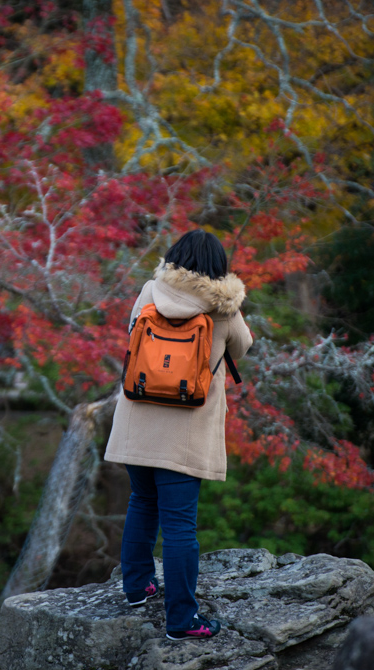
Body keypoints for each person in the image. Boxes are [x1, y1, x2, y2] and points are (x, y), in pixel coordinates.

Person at [105, 229, 253, 641]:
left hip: (137, 420)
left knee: (141, 501)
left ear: (174, 258)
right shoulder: (224, 307)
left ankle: (136, 588)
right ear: (217, 268)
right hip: (184, 432)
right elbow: (242, 348)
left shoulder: (151, 290)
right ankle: (182, 619)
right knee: (180, 526)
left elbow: (132, 332)